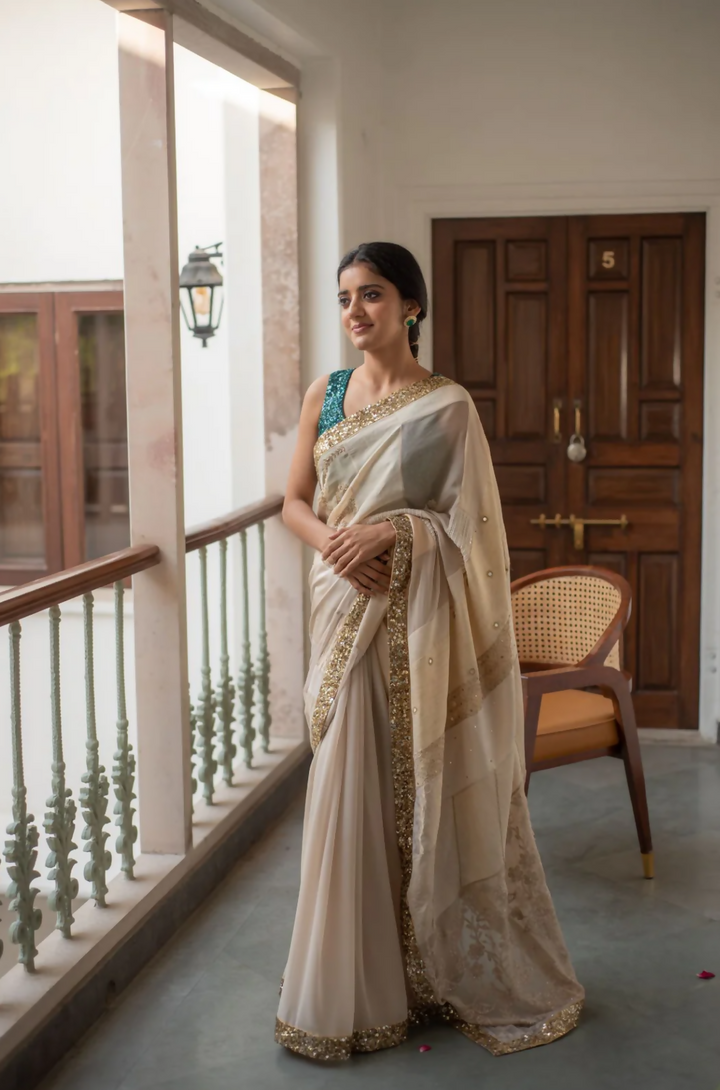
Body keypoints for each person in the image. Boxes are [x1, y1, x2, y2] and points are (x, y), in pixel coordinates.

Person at [276, 241, 584, 1061]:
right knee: (347, 778)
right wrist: (341, 544)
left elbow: (471, 528)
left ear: (410, 305)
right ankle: (355, 988)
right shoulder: (326, 394)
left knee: (400, 786)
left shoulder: (445, 405)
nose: (354, 312)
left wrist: (399, 533)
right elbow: (293, 501)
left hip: (413, 622)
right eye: (345, 297)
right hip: (344, 607)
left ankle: (415, 976)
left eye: (372, 295)